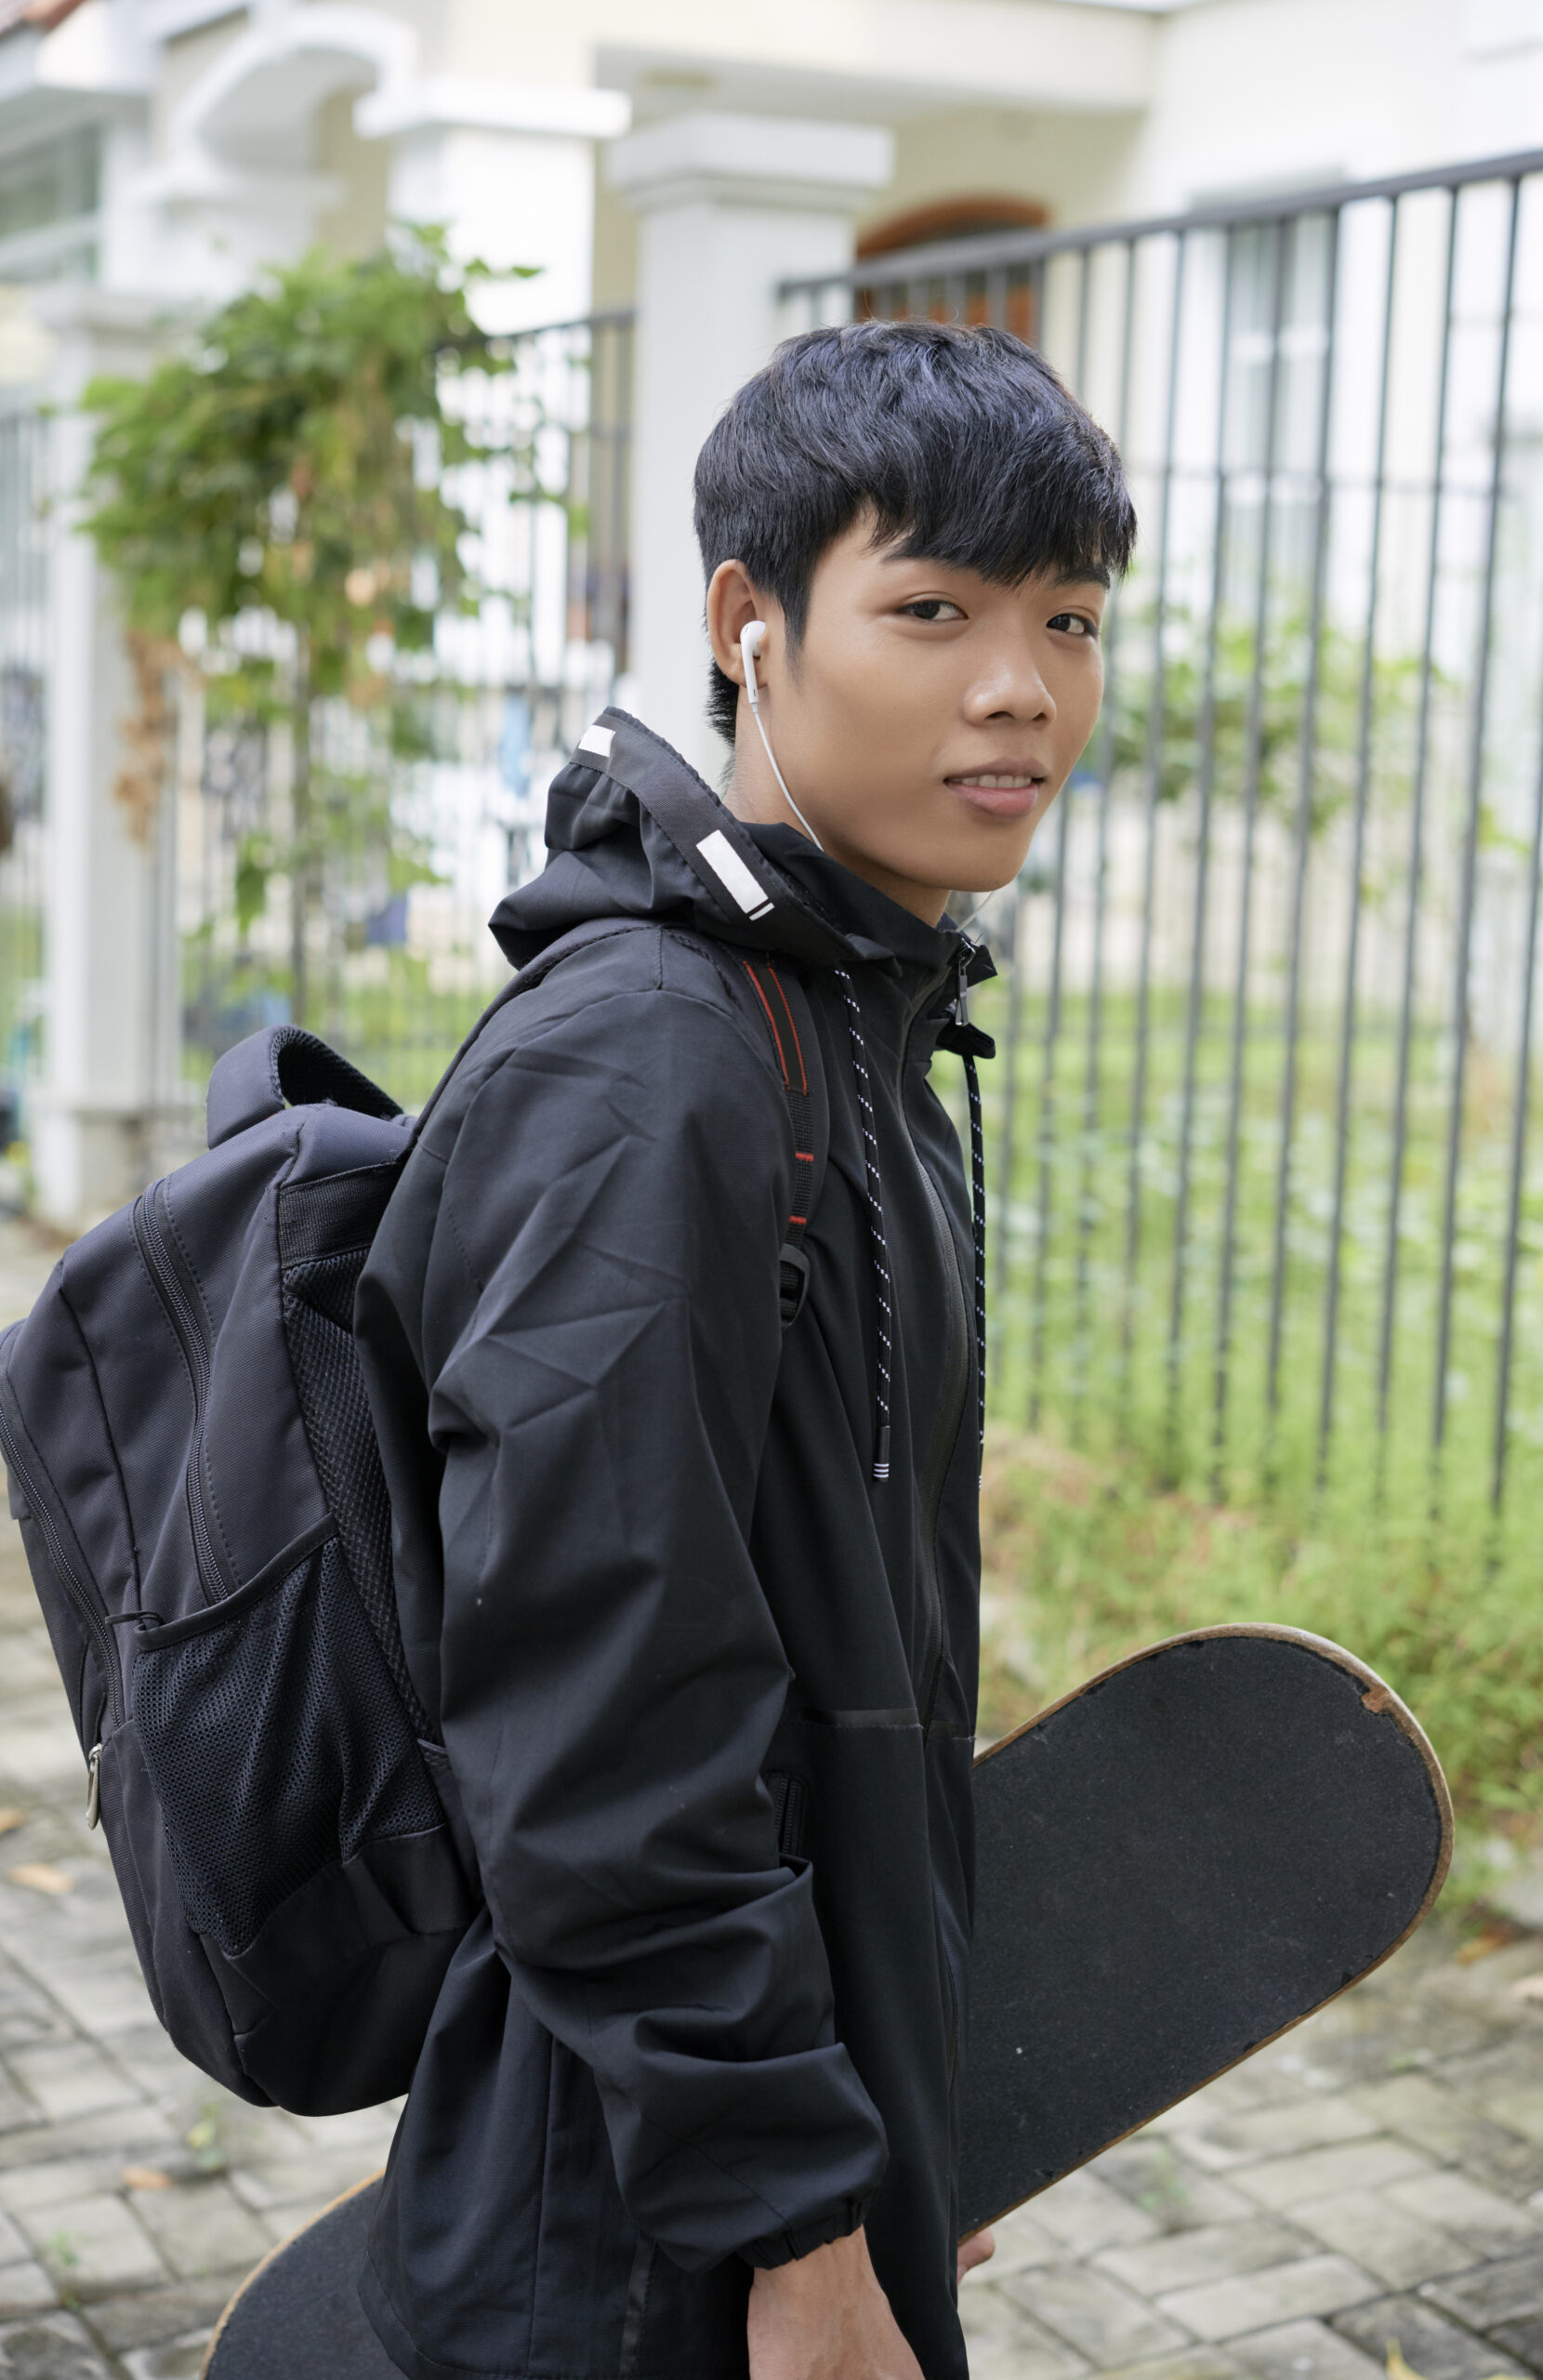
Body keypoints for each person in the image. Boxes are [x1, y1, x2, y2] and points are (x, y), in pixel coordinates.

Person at [353, 319, 1135, 2380]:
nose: (1021, 686)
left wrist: (892, 2088)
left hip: (776, 2134)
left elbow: (830, 1662)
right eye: (934, 609)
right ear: (746, 624)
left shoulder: (844, 1022)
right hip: (638, 2226)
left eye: (1069, 619)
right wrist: (794, 2213)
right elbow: (601, 1701)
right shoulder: (649, 1063)